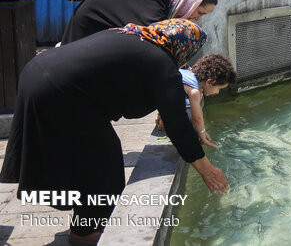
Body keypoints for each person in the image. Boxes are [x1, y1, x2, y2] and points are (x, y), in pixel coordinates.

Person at [0, 19, 235, 244]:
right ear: (184, 45)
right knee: (105, 160)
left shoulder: (134, 36)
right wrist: (207, 169)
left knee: (81, 153)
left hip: (36, 71)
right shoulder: (161, 63)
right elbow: (178, 127)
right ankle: (85, 231)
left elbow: (160, 98)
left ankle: (85, 220)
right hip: (61, 91)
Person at [60, 0, 217, 44]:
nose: (198, 19)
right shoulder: (156, 5)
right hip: (87, 31)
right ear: (190, 2)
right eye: (200, 12)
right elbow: (152, 46)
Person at [155, 54, 237, 149]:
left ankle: (163, 117)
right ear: (209, 82)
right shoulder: (195, 92)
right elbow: (197, 118)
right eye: (219, 88)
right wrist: (202, 134)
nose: (217, 92)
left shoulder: (189, 73)